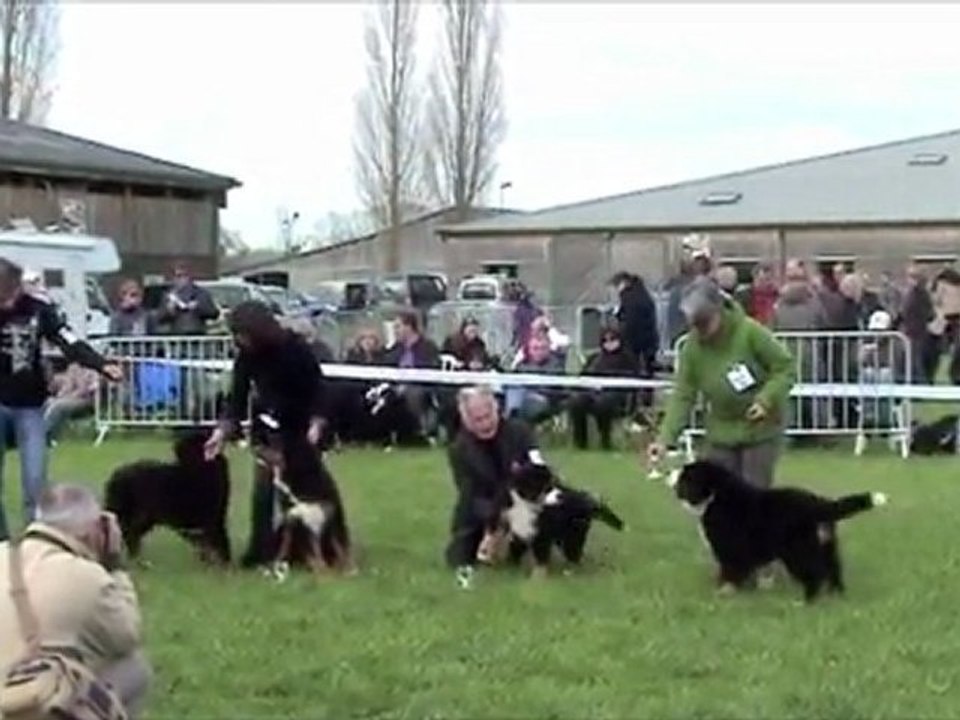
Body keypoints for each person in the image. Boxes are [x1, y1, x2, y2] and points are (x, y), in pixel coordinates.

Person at [0, 485, 151, 718]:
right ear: (91, 531)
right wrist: (115, 564)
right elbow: (127, 635)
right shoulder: (89, 578)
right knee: (134, 668)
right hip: (35, 702)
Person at [203, 301, 332, 569]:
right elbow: (237, 398)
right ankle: (260, 551)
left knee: (298, 494)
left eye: (241, 334)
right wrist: (222, 431)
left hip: (299, 429)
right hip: (266, 429)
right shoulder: (247, 356)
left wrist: (317, 423)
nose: (238, 340)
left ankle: (302, 547)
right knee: (263, 493)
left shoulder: (297, 351)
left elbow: (319, 389)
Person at [0, 258, 122, 541]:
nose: (6, 302)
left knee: (35, 481)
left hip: (29, 407)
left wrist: (101, 364)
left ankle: (35, 542)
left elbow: (69, 340)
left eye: (9, 293)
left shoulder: (39, 310)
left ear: (17, 287)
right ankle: (2, 545)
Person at [648, 277, 795, 490]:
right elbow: (683, 396)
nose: (701, 331)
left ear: (719, 311)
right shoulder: (692, 349)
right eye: (695, 325)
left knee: (752, 494)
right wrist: (665, 439)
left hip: (761, 430)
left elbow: (785, 368)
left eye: (705, 323)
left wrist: (765, 399)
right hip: (721, 432)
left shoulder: (750, 333)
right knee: (720, 494)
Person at [445, 385, 541, 582]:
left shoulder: (520, 432)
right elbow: (470, 494)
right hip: (483, 508)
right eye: (477, 420)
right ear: (466, 420)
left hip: (525, 501)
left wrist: (519, 510)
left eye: (488, 416)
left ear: (496, 409)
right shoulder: (459, 450)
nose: (485, 424)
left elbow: (540, 472)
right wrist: (496, 521)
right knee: (458, 557)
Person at [568, 326, 642, 450]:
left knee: (603, 403)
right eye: (605, 340)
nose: (609, 343)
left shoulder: (628, 359)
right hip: (592, 393)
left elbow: (634, 381)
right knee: (577, 402)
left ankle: (605, 440)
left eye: (612, 339)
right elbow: (583, 377)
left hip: (619, 397)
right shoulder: (595, 358)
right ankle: (580, 442)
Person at [382, 311, 441, 445]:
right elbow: (387, 367)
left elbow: (431, 369)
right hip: (396, 386)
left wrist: (408, 383)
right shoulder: (396, 349)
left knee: (413, 394)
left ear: (409, 327)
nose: (395, 331)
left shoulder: (428, 347)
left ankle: (419, 430)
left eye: (398, 327)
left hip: (422, 387)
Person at [610, 271, 659, 379]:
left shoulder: (629, 297)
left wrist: (622, 332)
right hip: (649, 338)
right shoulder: (641, 293)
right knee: (648, 370)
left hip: (635, 340)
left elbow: (630, 320)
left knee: (633, 371)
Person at [157, 261, 219, 336]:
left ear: (190, 277)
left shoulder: (201, 293)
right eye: (178, 276)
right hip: (177, 335)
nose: (181, 279)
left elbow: (214, 313)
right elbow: (160, 319)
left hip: (197, 335)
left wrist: (198, 307)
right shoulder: (169, 295)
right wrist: (169, 310)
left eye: (185, 275)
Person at [44, 363, 99, 443]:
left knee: (58, 406)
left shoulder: (92, 371)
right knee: (46, 402)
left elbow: (83, 390)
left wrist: (67, 396)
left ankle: (46, 434)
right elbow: (62, 387)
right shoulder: (69, 370)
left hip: (84, 401)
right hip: (66, 399)